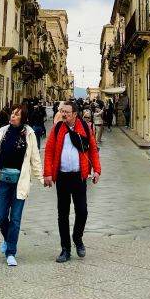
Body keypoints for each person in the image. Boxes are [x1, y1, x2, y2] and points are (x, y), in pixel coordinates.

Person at [0, 103, 42, 266]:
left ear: (23, 118)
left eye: (16, 114)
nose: (13, 116)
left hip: (20, 181)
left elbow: (35, 158)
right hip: (3, 181)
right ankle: (8, 240)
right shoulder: (2, 132)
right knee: (1, 215)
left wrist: (41, 177)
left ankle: (11, 252)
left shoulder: (29, 134)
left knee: (15, 218)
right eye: (12, 113)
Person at [43, 100, 101, 262]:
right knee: (63, 214)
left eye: (67, 112)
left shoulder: (85, 128)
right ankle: (65, 249)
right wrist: (47, 173)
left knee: (82, 211)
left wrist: (97, 170)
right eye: (62, 111)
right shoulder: (57, 129)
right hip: (62, 176)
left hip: (79, 177)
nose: (63, 114)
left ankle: (77, 237)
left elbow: (93, 150)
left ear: (75, 114)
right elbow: (49, 151)